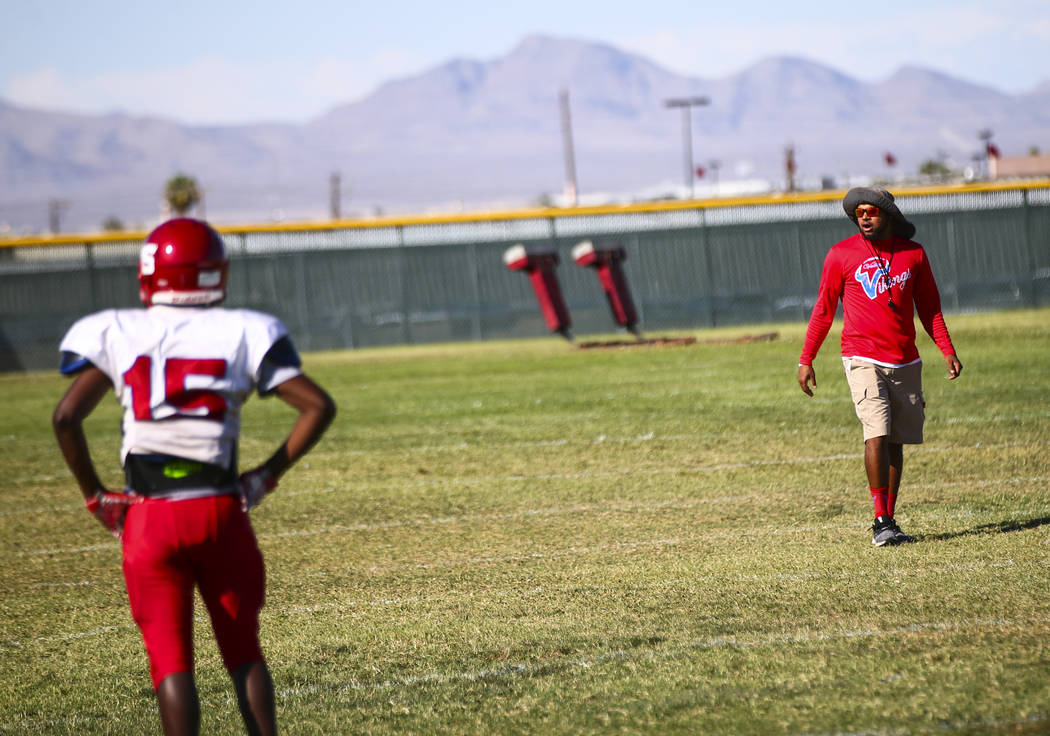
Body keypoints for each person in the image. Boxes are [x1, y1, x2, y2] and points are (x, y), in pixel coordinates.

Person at [52, 218, 336, 736]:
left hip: (149, 517)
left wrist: (95, 496)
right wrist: (266, 476)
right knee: (243, 652)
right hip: (220, 509)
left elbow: (65, 418)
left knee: (171, 663)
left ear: (149, 273)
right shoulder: (245, 329)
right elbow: (317, 405)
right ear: (215, 272)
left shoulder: (116, 330)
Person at [797, 187, 962, 546]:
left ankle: (890, 518)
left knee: (896, 440)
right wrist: (806, 358)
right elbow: (824, 310)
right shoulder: (840, 255)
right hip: (861, 356)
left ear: (889, 215)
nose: (865, 217)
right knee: (876, 430)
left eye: (872, 211)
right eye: (860, 213)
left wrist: (946, 348)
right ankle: (880, 519)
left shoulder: (913, 254)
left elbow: (929, 307)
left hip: (905, 359)